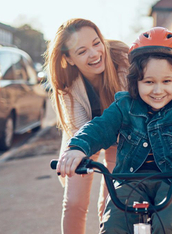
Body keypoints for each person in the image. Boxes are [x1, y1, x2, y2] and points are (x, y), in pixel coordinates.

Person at [56, 27, 172, 233]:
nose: (158, 90)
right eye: (149, 82)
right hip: (129, 181)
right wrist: (78, 147)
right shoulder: (124, 105)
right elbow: (99, 127)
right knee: (113, 225)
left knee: (169, 224)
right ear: (136, 81)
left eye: (167, 81)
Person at [44, 18, 129, 234]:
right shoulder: (67, 83)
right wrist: (76, 153)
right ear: (69, 59)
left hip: (124, 134)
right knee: (74, 203)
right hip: (85, 135)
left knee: (112, 202)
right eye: (81, 51)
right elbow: (81, 133)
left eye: (96, 43)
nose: (94, 53)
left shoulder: (124, 63)